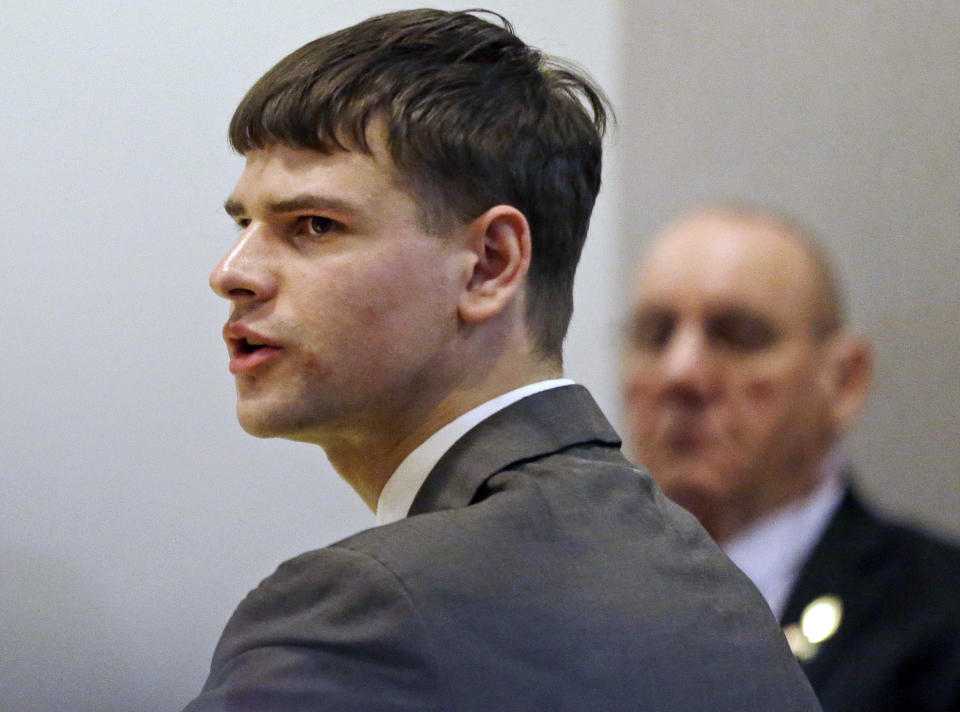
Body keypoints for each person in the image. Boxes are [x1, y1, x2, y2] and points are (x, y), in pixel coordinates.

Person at [183, 11, 821, 711]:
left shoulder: (372, 613)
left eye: (313, 225)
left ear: (490, 265)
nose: (231, 272)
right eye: (244, 223)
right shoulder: (706, 582)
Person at [622, 205, 960, 712]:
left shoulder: (939, 618)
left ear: (843, 381)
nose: (680, 373)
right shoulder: (549, 598)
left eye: (737, 335)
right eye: (655, 334)